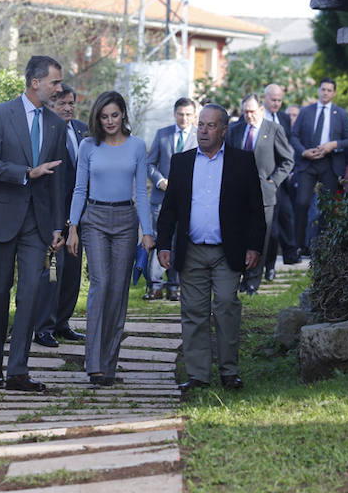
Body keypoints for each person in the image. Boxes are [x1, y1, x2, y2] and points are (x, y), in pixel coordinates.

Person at [0, 55, 67, 392]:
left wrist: (59, 226)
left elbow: (57, 180)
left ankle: (18, 371)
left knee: (30, 294)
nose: (59, 88)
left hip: (38, 225)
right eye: (55, 82)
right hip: (0, 219)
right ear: (35, 82)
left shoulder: (57, 125)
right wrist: (25, 174)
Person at [157, 104, 265, 394]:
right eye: (200, 125)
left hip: (227, 250)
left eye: (210, 125)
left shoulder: (241, 162)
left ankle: (230, 372)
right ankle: (198, 375)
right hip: (191, 249)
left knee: (227, 306)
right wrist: (163, 245)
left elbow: (256, 209)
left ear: (224, 130)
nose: (203, 130)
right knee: (193, 311)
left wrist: (254, 246)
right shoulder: (181, 162)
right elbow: (169, 211)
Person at [66, 91, 154, 386]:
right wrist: (73, 228)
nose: (110, 121)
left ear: (123, 115)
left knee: (118, 292)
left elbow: (141, 191)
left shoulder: (138, 146)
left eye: (114, 115)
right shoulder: (88, 145)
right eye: (104, 117)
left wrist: (148, 232)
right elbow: (79, 189)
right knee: (100, 286)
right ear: (97, 119)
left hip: (127, 221)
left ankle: (109, 364)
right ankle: (93, 364)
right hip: (95, 220)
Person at [33, 84, 88, 347]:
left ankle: (62, 322)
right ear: (51, 105)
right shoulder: (45, 131)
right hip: (54, 214)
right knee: (53, 271)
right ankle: (43, 326)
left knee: (73, 271)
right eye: (61, 103)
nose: (67, 108)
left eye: (71, 103)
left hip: (78, 215)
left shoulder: (81, 130)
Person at [226, 94, 294, 295]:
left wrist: (274, 181)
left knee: (259, 239)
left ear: (261, 110)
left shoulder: (274, 130)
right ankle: (239, 277)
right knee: (239, 237)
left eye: (252, 111)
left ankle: (253, 282)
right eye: (245, 112)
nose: (249, 115)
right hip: (238, 194)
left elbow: (288, 160)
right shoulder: (235, 130)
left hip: (265, 194)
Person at [289, 78, 348, 255]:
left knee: (326, 207)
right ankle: (299, 246)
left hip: (330, 164)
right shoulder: (306, 111)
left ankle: (320, 247)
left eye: (329, 90)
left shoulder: (340, 113)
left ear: (334, 93)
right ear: (318, 90)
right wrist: (303, 152)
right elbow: (293, 136)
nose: (325, 93)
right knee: (302, 204)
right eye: (323, 89)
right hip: (308, 163)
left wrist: (333, 144)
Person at [145, 97, 198, 301]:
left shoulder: (198, 136)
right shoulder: (163, 134)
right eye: (180, 114)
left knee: (179, 240)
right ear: (174, 114)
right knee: (160, 237)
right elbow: (150, 164)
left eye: (187, 114)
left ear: (194, 116)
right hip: (162, 197)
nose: (183, 118)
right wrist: (159, 181)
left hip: (188, 199)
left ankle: (174, 285)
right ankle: (155, 285)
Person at [262, 84, 300, 272]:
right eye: (273, 100)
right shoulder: (258, 118)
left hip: (282, 176)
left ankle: (290, 255)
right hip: (263, 176)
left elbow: (288, 145)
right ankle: (268, 264)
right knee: (271, 223)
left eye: (279, 100)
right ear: (265, 98)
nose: (277, 103)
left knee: (287, 214)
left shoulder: (284, 118)